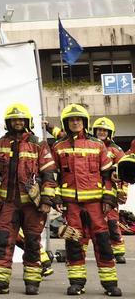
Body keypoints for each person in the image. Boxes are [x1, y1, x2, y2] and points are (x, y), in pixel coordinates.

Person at [0, 103, 56, 296]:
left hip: (33, 206)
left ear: (27, 122)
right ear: (8, 122)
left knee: (32, 242)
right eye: (14, 119)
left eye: (21, 119)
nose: (17, 122)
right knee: (4, 242)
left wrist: (47, 200)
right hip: (8, 203)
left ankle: (32, 282)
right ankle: (0, 282)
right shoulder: (0, 144)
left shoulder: (39, 144)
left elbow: (48, 174)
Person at [50, 104, 121, 296]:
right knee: (74, 244)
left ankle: (110, 284)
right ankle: (77, 283)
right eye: (72, 119)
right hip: (70, 205)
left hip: (96, 205)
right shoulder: (58, 146)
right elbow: (52, 176)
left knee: (103, 242)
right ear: (66, 122)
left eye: (78, 119)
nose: (75, 122)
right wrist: (56, 196)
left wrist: (108, 197)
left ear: (84, 122)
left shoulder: (97, 145)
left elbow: (108, 175)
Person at [93, 117, 128, 264]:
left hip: (110, 190)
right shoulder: (90, 145)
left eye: (104, 130)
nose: (101, 132)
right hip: (93, 190)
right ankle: (103, 250)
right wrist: (49, 127)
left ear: (110, 132)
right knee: (96, 222)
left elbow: (126, 171)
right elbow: (64, 136)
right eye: (99, 130)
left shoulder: (116, 150)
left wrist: (123, 191)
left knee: (112, 222)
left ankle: (119, 251)